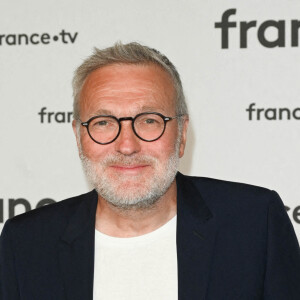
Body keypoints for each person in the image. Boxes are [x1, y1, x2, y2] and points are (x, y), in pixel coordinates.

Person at [0, 42, 300, 300]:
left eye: (149, 120)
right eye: (104, 123)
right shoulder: (25, 244)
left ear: (181, 134)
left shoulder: (256, 223)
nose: (127, 146)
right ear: (80, 137)